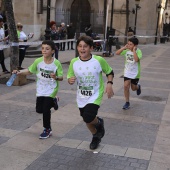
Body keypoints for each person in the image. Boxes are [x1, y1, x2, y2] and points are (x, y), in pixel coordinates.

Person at [67, 35, 114, 150]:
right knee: (86, 119)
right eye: (80, 46)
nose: (82, 49)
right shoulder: (73, 62)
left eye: (85, 47)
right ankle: (95, 136)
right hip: (81, 96)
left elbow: (109, 72)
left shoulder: (98, 60)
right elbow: (69, 76)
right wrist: (70, 80)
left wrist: (109, 84)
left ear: (91, 48)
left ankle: (99, 122)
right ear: (77, 48)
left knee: (88, 116)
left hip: (95, 94)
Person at [12, 40, 63, 139]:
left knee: (45, 109)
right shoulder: (38, 61)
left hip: (51, 89)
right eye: (43, 48)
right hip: (40, 89)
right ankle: (54, 101)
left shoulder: (56, 63)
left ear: (52, 51)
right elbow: (30, 71)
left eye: (47, 49)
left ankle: (47, 129)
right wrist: (19, 72)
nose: (44, 50)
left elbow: (61, 77)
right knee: (39, 109)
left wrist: (56, 77)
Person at [115, 37, 142, 110]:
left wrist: (134, 51)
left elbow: (136, 60)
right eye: (128, 44)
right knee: (126, 86)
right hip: (127, 72)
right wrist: (124, 47)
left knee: (133, 88)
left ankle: (138, 87)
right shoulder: (126, 50)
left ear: (135, 45)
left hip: (135, 73)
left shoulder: (138, 51)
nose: (129, 46)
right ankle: (127, 102)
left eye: (131, 44)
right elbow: (117, 53)